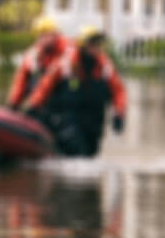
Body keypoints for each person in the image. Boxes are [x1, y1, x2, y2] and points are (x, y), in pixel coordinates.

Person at [24, 25, 126, 156]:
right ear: (83, 46)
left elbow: (118, 91)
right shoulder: (66, 64)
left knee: (90, 154)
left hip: (94, 121)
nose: (96, 48)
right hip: (69, 118)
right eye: (92, 44)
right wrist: (34, 106)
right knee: (76, 150)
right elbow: (45, 86)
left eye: (97, 44)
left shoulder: (105, 66)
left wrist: (119, 114)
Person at [7, 15, 71, 111]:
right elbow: (21, 79)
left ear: (55, 34)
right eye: (40, 35)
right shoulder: (34, 53)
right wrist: (13, 104)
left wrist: (34, 104)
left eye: (46, 35)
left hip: (62, 101)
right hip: (42, 102)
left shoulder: (67, 51)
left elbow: (50, 78)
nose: (43, 39)